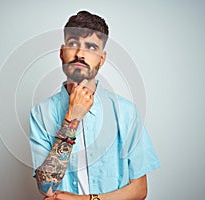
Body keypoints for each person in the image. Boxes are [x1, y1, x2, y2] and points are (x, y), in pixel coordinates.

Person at [29, 10, 160, 200]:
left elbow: (140, 190)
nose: (80, 54)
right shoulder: (40, 113)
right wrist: (72, 118)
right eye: (73, 44)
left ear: (102, 58)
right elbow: (47, 187)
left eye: (91, 47)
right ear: (61, 52)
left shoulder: (126, 113)